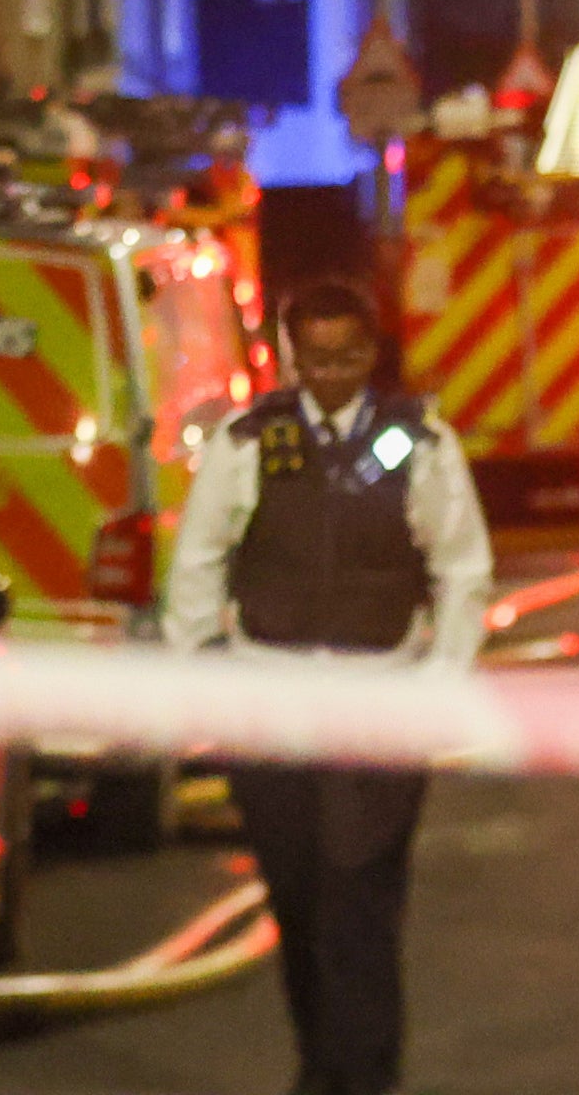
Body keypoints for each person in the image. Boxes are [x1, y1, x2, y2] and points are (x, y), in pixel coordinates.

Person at [165, 279, 496, 1095]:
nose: (333, 374)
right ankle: (325, 1063)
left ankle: (358, 1077)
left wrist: (442, 687)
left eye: (348, 356)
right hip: (267, 705)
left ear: (373, 351)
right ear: (291, 357)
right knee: (301, 899)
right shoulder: (250, 444)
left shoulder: (415, 446)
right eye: (316, 359)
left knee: (359, 899)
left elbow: (463, 570)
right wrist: (199, 669)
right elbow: (198, 560)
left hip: (379, 705)